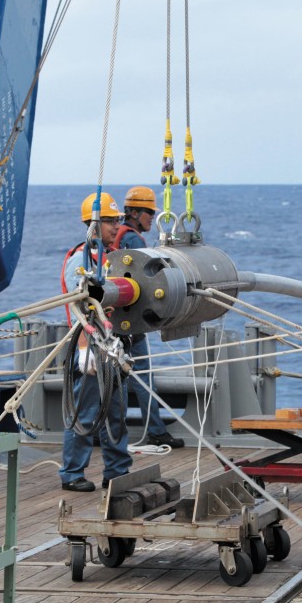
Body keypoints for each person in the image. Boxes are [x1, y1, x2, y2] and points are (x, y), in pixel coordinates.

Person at [58, 192, 133, 491]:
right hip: (88, 345)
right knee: (85, 412)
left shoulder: (108, 257)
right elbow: (78, 306)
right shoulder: (81, 260)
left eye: (117, 220)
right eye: (110, 221)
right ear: (93, 224)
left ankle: (116, 470)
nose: (116, 226)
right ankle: (72, 473)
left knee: (115, 410)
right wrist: (84, 351)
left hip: (111, 344)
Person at [111, 186, 184, 448]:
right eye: (149, 213)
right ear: (134, 213)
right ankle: (155, 431)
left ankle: (109, 433)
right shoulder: (134, 241)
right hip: (130, 325)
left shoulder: (117, 236)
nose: (152, 218)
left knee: (114, 379)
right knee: (142, 376)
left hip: (113, 322)